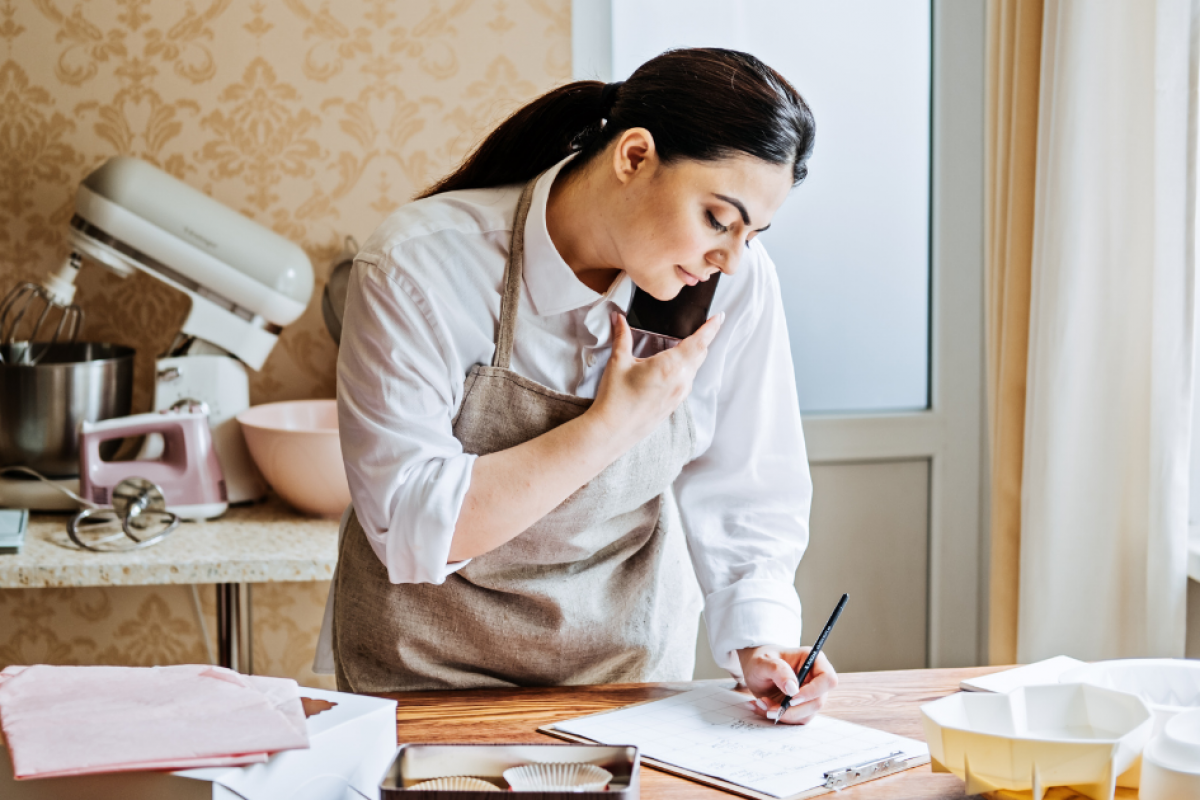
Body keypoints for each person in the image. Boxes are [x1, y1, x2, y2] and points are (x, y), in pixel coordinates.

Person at [330, 47, 835, 725]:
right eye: (718, 218)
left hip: (626, 680)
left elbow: (747, 487)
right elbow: (416, 525)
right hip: (426, 682)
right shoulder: (420, 264)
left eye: (752, 233)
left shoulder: (724, 287)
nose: (732, 259)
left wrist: (763, 644)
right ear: (634, 157)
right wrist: (611, 427)